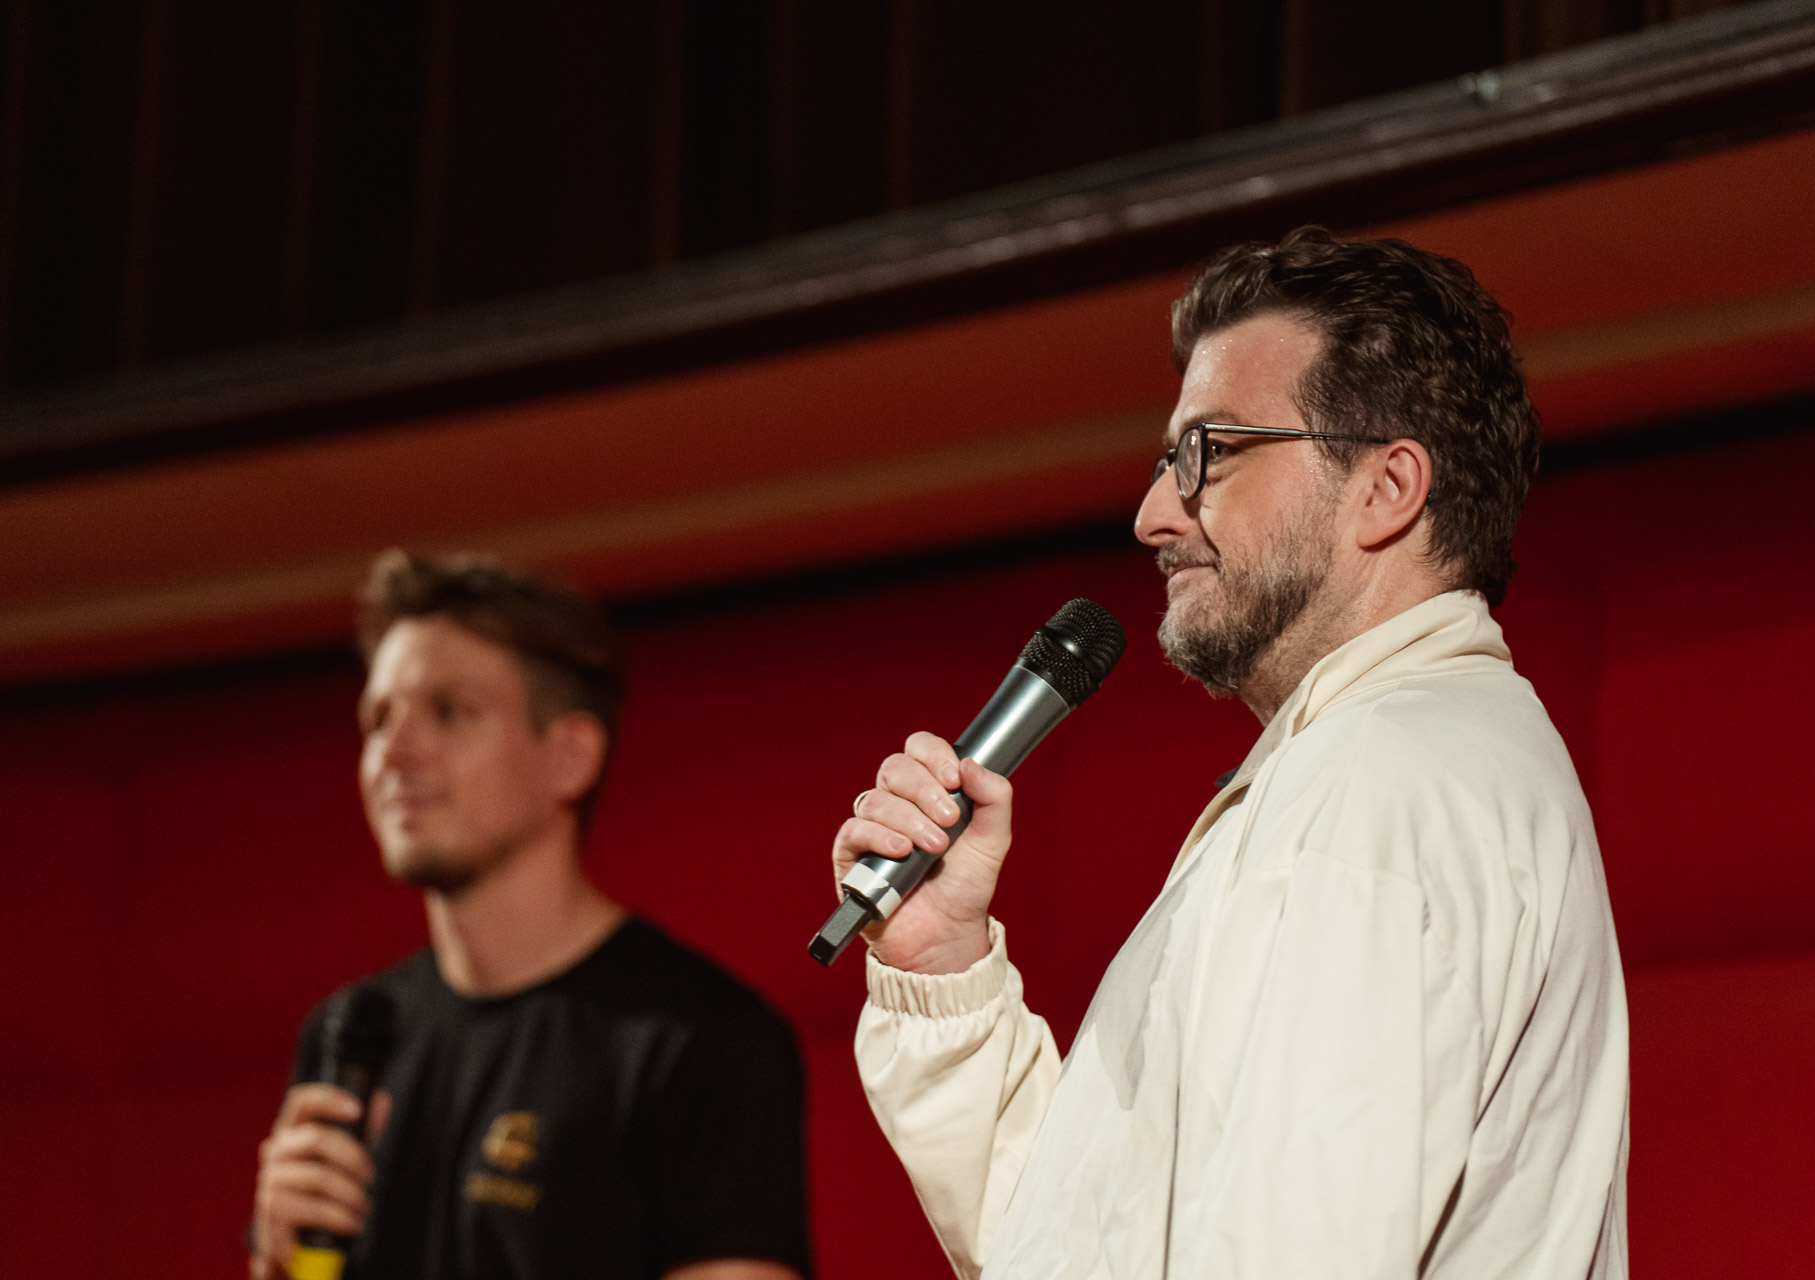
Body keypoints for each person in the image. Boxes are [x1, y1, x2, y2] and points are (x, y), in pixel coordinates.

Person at [834, 228, 1629, 1277]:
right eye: (1167, 461)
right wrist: (945, 971)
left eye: (1207, 451)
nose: (1152, 514)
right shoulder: (1391, 761)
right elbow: (1094, 1247)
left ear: (1386, 488)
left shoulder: (1373, 783)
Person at [251, 551, 811, 1280]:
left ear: (570, 757)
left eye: (449, 712)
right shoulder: (350, 1032)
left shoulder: (701, 1037)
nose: (394, 751)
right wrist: (273, 1261)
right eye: (377, 718)